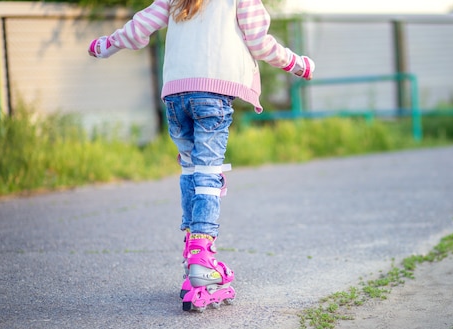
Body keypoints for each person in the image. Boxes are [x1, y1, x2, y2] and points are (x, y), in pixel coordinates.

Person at [88, 0, 315, 311]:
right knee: (208, 173)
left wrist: (106, 44)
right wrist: (296, 63)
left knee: (191, 171)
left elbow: (140, 26)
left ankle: (191, 256)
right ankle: (201, 259)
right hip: (212, 92)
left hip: (176, 94)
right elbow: (259, 42)